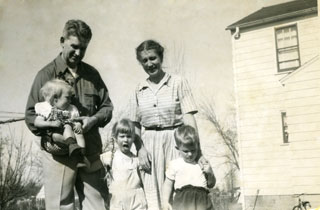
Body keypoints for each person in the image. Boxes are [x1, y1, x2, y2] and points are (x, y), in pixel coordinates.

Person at [25, 19, 113, 210]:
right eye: (74, 46)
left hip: (90, 152)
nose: (78, 53)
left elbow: (107, 107)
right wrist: (54, 132)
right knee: (60, 207)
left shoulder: (93, 75)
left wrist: (93, 119)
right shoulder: (45, 75)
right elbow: (31, 115)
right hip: (59, 157)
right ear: (62, 40)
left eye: (83, 48)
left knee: (98, 206)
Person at [130, 39, 199, 210]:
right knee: (152, 195)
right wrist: (140, 150)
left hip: (175, 143)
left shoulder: (178, 82)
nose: (149, 64)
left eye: (153, 58)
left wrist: (196, 149)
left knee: (177, 191)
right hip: (149, 146)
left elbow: (189, 117)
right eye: (144, 61)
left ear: (161, 57)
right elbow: (135, 125)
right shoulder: (138, 88)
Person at [34, 79, 90, 168]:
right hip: (53, 138)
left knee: (79, 133)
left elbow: (76, 120)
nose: (70, 100)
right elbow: (37, 122)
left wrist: (78, 125)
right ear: (55, 99)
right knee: (66, 128)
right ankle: (72, 145)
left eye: (71, 98)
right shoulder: (46, 108)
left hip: (69, 135)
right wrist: (51, 124)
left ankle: (81, 156)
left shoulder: (71, 108)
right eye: (67, 98)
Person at [162, 125, 216, 210]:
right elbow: (168, 185)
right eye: (186, 151)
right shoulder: (175, 164)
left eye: (193, 150)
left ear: (198, 147)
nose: (190, 154)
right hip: (183, 201)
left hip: (202, 200)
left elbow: (211, 184)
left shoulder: (202, 164)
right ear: (178, 148)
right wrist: (165, 201)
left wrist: (210, 173)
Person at [101, 118, 147, 210]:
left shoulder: (136, 159)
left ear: (133, 138)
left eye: (129, 136)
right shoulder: (111, 157)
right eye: (122, 136)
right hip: (117, 199)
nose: (126, 140)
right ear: (115, 138)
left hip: (136, 198)